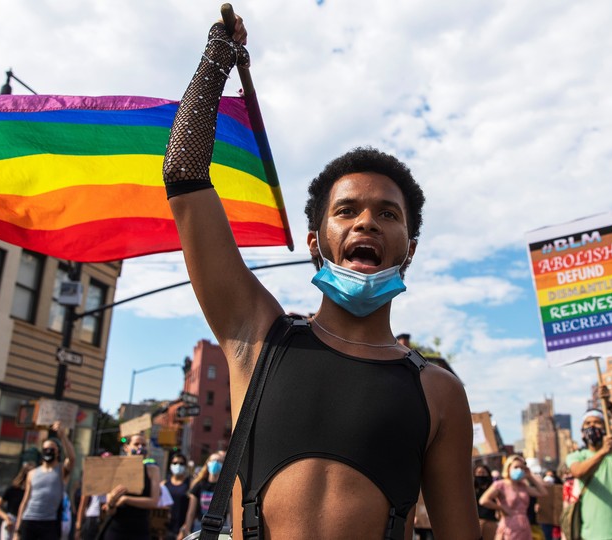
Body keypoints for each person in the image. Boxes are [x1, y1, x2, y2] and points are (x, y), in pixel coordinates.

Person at [161, 11, 479, 539]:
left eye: (388, 214)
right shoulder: (256, 336)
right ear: (315, 242)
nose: (367, 222)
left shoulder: (440, 393)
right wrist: (216, 60)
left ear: (410, 250)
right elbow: (184, 173)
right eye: (347, 210)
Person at [565, 388, 612, 540]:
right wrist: (603, 451)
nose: (592, 426)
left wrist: (610, 407)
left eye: (597, 422)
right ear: (582, 431)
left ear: (605, 427)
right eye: (588, 423)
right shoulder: (577, 456)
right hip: (590, 535)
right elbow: (578, 472)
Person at [13, 423, 76, 540]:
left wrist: (63, 436)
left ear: (57, 452)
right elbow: (25, 501)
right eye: (46, 449)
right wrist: (17, 529)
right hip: (29, 520)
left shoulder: (61, 471)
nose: (48, 451)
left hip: (49, 523)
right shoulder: (32, 473)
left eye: (52, 449)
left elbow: (72, 458)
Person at [99, 433, 161, 540]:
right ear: (126, 447)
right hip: (117, 530)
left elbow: (153, 501)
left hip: (140, 531)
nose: (140, 448)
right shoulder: (116, 469)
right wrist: (112, 502)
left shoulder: (152, 470)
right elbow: (110, 510)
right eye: (136, 444)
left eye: (144, 445)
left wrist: (125, 499)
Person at [479, 455, 547, 540]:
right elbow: (483, 500)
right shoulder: (500, 485)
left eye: (522, 468)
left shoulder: (522, 486)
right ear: (508, 468)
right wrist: (501, 508)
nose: (519, 470)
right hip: (509, 525)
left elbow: (543, 492)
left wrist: (530, 476)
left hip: (524, 525)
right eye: (516, 467)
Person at [183, 452, 226, 536]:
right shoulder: (199, 485)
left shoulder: (225, 487)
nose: (216, 463)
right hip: (200, 526)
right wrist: (187, 531)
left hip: (221, 527)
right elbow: (191, 512)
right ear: (208, 463)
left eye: (219, 461)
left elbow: (230, 512)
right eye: (213, 460)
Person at [0, 461, 35, 540]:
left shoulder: (35, 492)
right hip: (11, 521)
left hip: (26, 522)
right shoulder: (13, 489)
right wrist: (6, 518)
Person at [162, 453, 191, 540]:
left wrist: (185, 529)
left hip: (182, 530)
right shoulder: (164, 484)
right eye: (175, 463)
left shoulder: (190, 484)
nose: (178, 466)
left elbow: (191, 511)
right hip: (165, 529)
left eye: (181, 463)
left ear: (185, 466)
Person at [474, 464, 499, 538]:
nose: (481, 475)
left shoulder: (493, 489)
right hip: (476, 523)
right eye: (478, 473)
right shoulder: (472, 491)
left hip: (491, 522)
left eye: (483, 473)